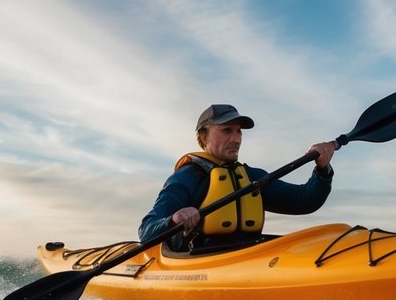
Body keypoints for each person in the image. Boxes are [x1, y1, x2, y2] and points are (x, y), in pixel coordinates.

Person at [139, 103, 336, 252]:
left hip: (249, 257)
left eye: (238, 131)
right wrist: (174, 219)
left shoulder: (251, 177)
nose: (237, 139)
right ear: (204, 137)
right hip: (201, 264)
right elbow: (147, 231)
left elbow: (304, 201)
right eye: (227, 130)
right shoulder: (188, 177)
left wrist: (322, 170)